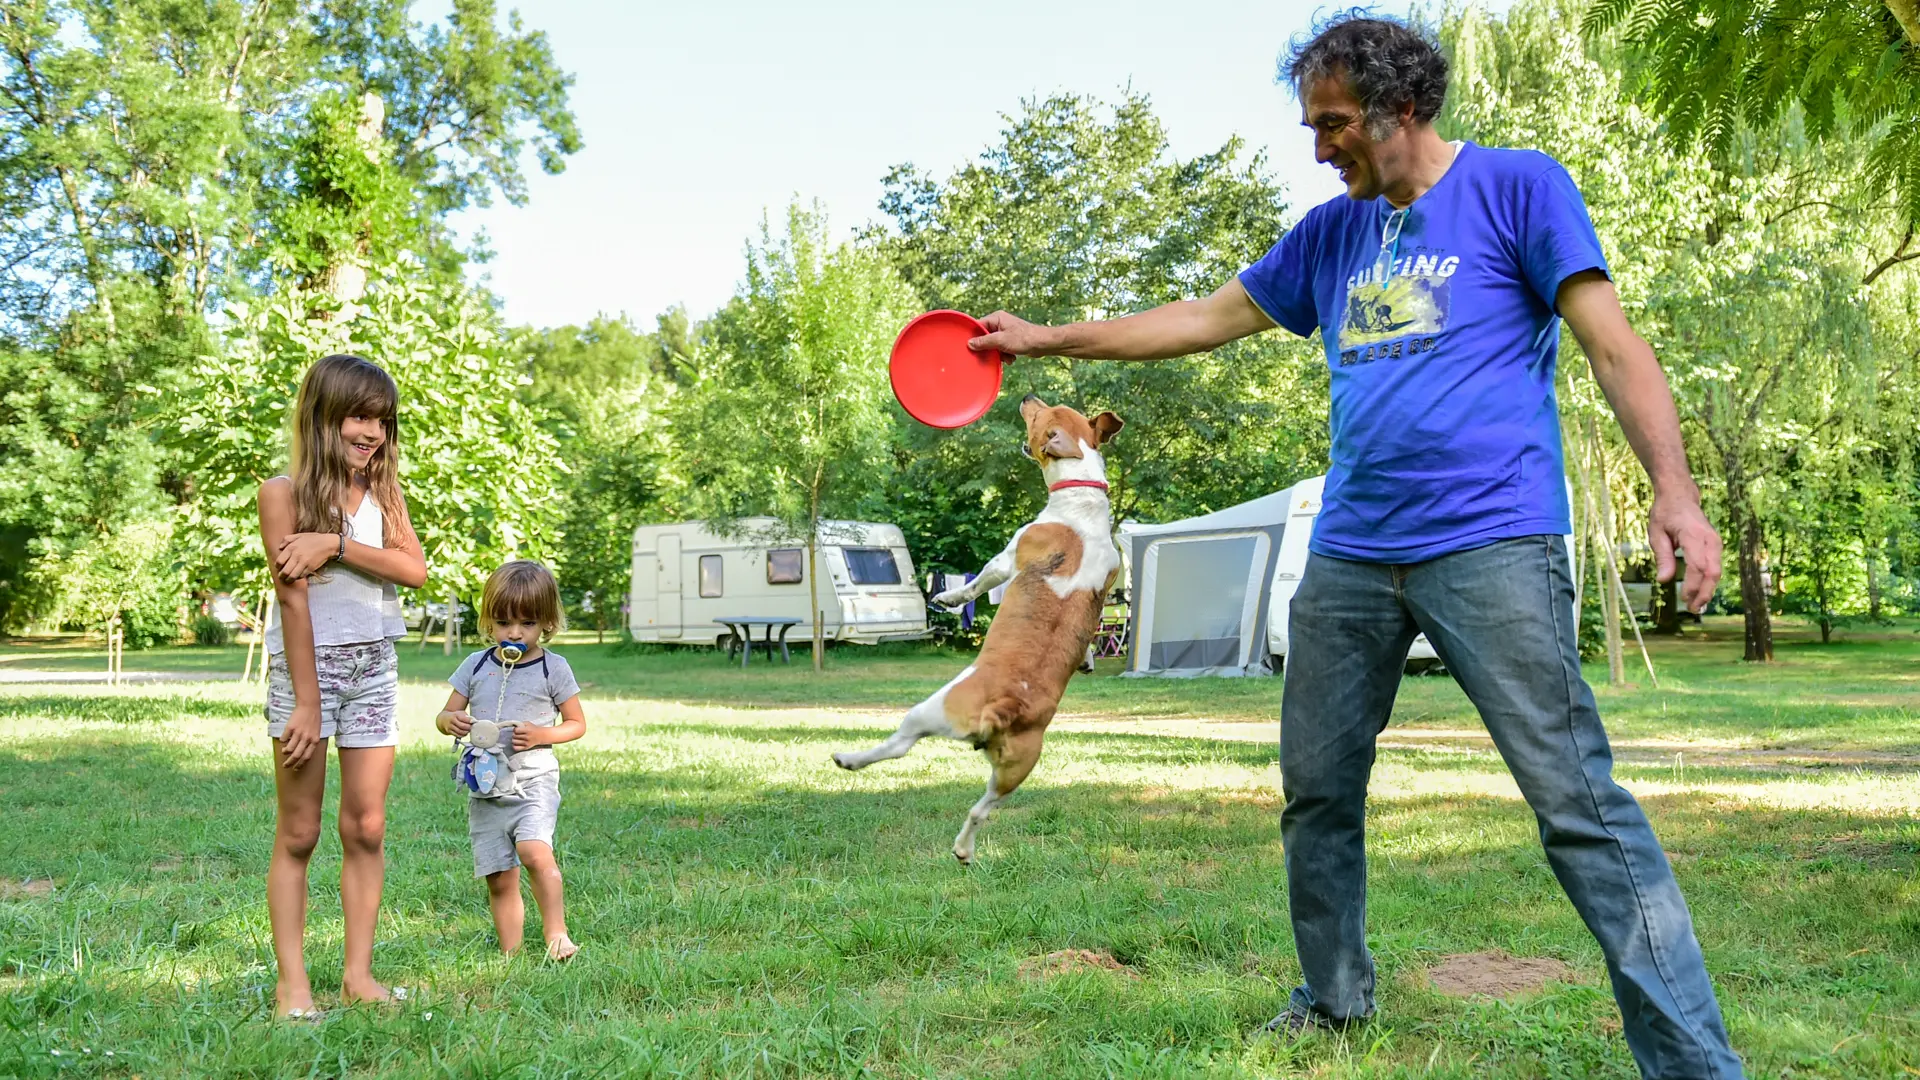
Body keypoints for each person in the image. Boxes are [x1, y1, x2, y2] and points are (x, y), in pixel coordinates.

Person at [966, 13, 1744, 1080]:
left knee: (1576, 804)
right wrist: (1047, 340)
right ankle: (1333, 1000)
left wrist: (1677, 493)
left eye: (1333, 124)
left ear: (1403, 106)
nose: (1318, 146)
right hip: (1350, 556)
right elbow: (1202, 316)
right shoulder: (1331, 236)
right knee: (1317, 788)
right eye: (1312, 126)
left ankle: (1695, 1061)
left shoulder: (1519, 188)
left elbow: (1612, 343)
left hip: (1494, 542)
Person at [257, 353, 428, 1019]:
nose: (373, 433)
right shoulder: (283, 494)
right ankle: (293, 986)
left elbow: (413, 571)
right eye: (360, 416)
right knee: (299, 831)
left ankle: (358, 976)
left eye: (382, 420)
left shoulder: (383, 493)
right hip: (309, 673)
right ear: (322, 415)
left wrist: (335, 544)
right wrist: (306, 701)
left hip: (374, 669)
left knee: (366, 825)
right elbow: (293, 603)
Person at [436, 560, 586, 961]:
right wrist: (452, 721)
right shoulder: (477, 665)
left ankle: (557, 934)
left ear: (547, 623)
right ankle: (510, 954)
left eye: (527, 623)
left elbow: (576, 724)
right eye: (504, 622)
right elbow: (443, 716)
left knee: (535, 852)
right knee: (499, 874)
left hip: (533, 781)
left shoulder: (553, 667)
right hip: (485, 786)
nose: (515, 633)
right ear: (488, 621)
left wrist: (541, 735)